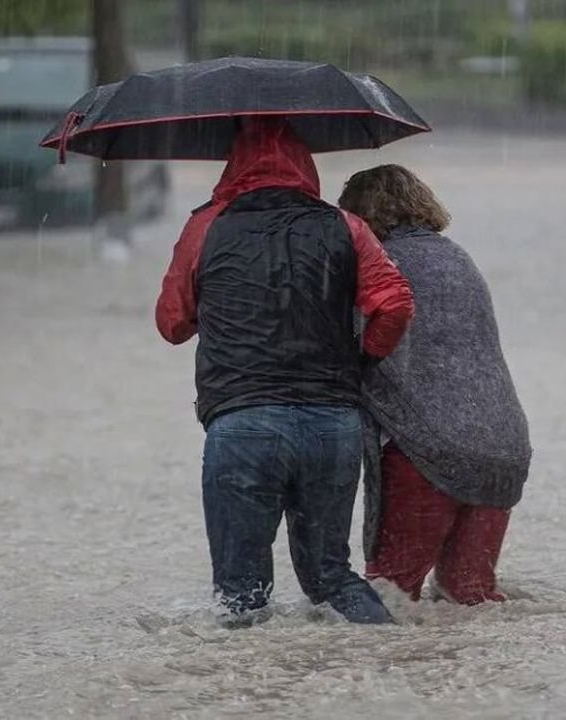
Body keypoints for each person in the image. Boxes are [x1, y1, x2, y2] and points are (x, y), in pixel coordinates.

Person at [155, 118, 415, 626]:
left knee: (240, 597)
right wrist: (362, 359)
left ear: (232, 165)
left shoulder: (206, 225)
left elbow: (171, 324)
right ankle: (391, 663)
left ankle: (252, 696)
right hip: (333, 424)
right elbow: (396, 303)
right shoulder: (345, 225)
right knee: (333, 579)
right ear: (305, 165)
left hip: (243, 423)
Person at [338, 165, 532, 605]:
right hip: (504, 447)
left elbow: (355, 346)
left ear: (357, 216)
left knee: (391, 600)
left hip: (430, 451)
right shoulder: (457, 256)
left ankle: (388, 677)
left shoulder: (379, 264)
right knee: (469, 599)